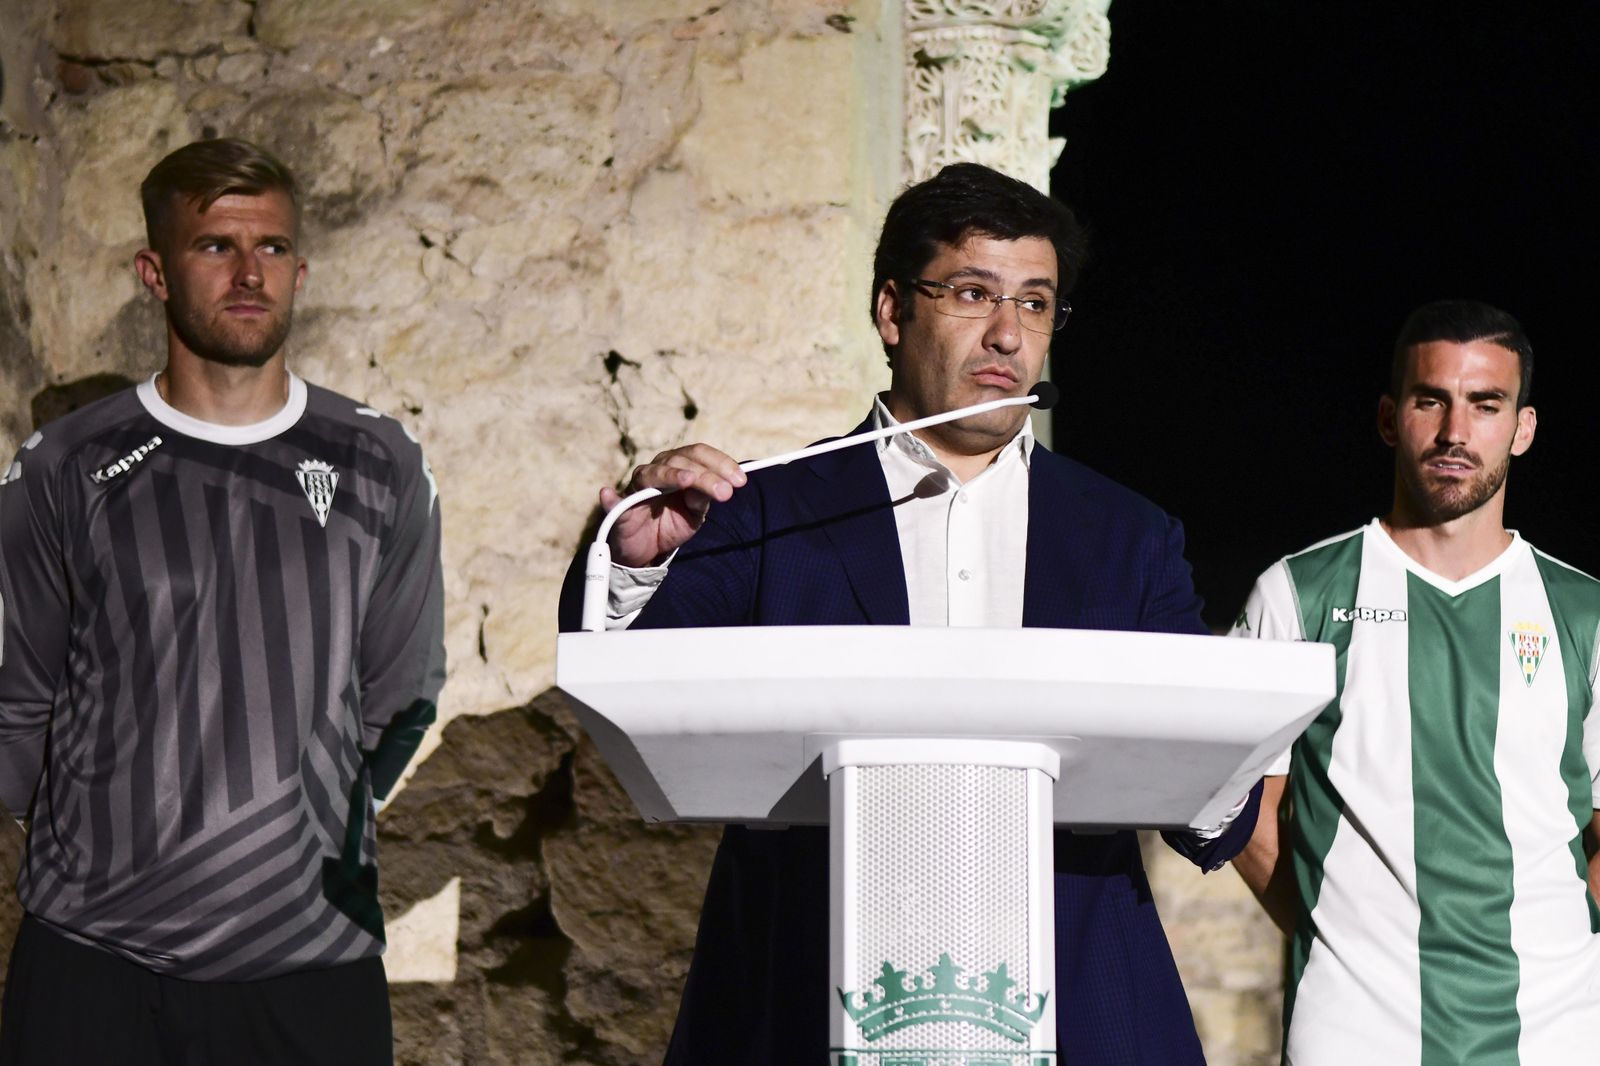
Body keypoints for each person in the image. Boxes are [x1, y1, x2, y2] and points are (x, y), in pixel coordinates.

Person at [560, 162, 1260, 1065]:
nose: (1009, 332)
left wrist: (1243, 726)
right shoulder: (769, 506)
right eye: (973, 292)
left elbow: (1213, 816)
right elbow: (625, 707)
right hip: (801, 992)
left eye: (1037, 304)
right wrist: (630, 561)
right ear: (893, 312)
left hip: (1077, 1002)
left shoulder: (1127, 536)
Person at [0, 138, 445, 1065]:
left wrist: (289, 834)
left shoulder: (380, 464)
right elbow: (19, 704)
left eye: (273, 249)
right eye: (216, 247)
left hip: (310, 962)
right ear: (155, 272)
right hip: (95, 963)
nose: (250, 274)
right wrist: (110, 852)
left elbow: (399, 697)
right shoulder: (64, 467)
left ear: (300, 268)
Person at [1231, 299, 1600, 1064]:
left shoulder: (1585, 613)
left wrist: (1557, 936)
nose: (1456, 433)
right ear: (1391, 418)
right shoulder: (1297, 595)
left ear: (1523, 429)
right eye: (1432, 400)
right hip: (1355, 1032)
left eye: (1485, 404)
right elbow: (1235, 804)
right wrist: (1336, 927)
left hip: (1556, 1032)